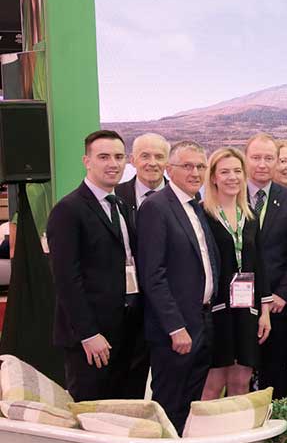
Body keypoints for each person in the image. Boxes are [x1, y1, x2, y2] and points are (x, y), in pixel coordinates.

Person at [47, 130, 149, 401]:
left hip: (129, 332)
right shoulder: (68, 210)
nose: (112, 164)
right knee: (93, 414)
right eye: (103, 157)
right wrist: (89, 333)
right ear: (87, 161)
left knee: (129, 412)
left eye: (118, 157)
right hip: (93, 339)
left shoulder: (124, 206)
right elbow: (67, 280)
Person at [137, 140, 221, 432]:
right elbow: (152, 275)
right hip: (176, 330)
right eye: (187, 166)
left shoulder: (196, 206)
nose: (195, 172)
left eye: (200, 166)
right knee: (169, 405)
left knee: (190, 405)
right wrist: (175, 327)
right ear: (170, 170)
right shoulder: (156, 208)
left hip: (202, 322)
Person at [200, 148, 271, 399]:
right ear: (213, 178)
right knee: (214, 381)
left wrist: (264, 312)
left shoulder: (249, 217)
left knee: (241, 380)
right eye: (225, 172)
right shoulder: (203, 215)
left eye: (237, 171)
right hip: (217, 309)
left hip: (247, 308)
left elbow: (259, 264)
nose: (232, 177)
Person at [244, 133, 287, 399]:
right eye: (256, 157)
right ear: (245, 158)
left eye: (269, 158)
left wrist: (281, 294)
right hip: (238, 303)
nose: (262, 164)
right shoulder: (230, 194)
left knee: (276, 373)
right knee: (240, 374)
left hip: (280, 303)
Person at [114, 132, 169, 210]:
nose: (152, 163)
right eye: (145, 156)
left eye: (159, 157)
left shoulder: (180, 194)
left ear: (167, 162)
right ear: (132, 160)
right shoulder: (115, 195)